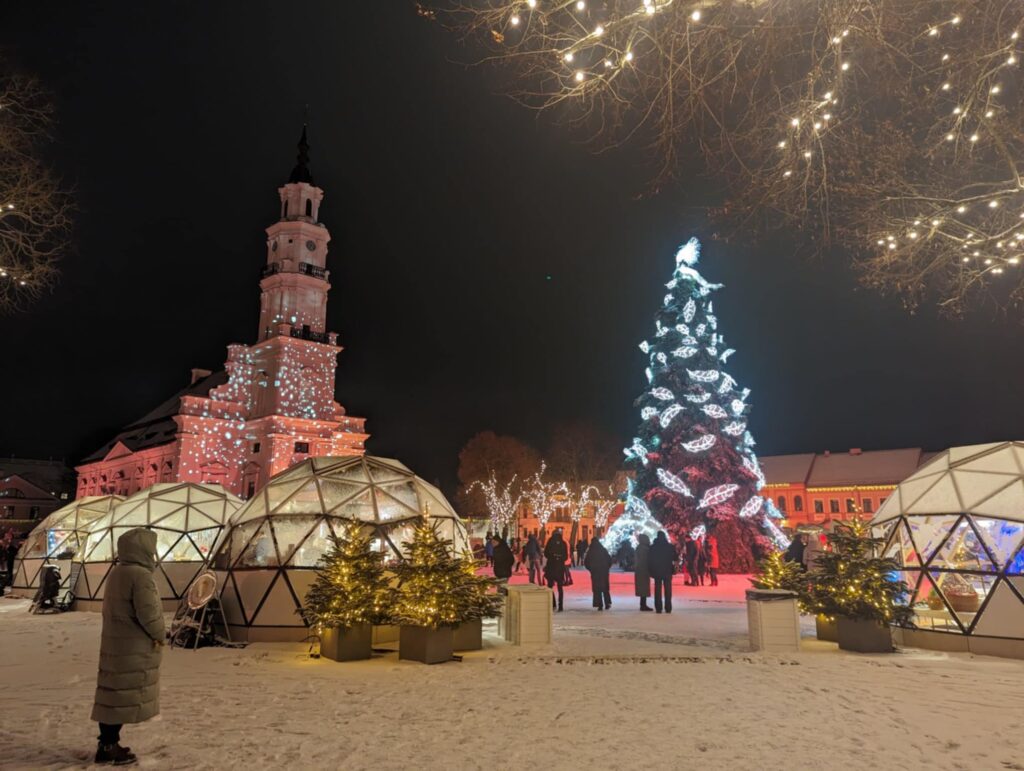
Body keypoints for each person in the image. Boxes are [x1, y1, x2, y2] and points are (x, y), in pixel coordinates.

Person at [91, 528, 166, 766]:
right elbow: (148, 613)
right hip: (132, 645)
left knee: (113, 694)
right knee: (122, 695)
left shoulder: (118, 572)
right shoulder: (141, 576)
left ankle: (107, 743)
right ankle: (109, 746)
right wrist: (160, 634)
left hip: (116, 642)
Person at [648, 531, 677, 614]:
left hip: (657, 571)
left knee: (657, 589)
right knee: (668, 589)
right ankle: (668, 607)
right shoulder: (670, 547)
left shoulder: (653, 547)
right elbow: (675, 557)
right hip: (667, 570)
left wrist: (651, 570)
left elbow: (649, 560)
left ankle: (658, 608)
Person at [543, 529, 570, 612]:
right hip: (560, 567)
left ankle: (552, 603)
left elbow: (546, 553)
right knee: (560, 587)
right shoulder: (563, 543)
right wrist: (560, 558)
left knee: (550, 586)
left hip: (551, 566)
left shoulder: (550, 542)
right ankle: (560, 605)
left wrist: (552, 557)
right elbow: (566, 556)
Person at [584, 537, 612, 610]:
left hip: (595, 572)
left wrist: (591, 569)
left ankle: (599, 605)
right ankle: (607, 603)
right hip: (604, 571)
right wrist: (606, 567)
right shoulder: (603, 550)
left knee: (597, 589)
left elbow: (586, 562)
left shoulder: (591, 551)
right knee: (605, 588)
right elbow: (610, 560)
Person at [634, 533, 653, 611]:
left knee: (642, 588)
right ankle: (643, 605)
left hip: (639, 570)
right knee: (644, 588)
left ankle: (643, 604)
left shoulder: (639, 548)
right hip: (644, 570)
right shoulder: (645, 549)